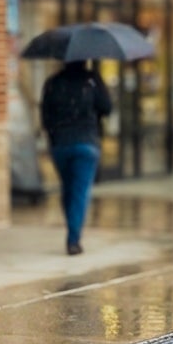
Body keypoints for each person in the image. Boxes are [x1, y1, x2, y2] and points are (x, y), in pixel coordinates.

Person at [39, 57, 113, 255]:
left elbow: (45, 115)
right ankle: (73, 239)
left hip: (60, 144)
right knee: (80, 191)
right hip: (86, 142)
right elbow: (107, 107)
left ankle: (72, 228)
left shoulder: (53, 83)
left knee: (68, 188)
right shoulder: (92, 80)